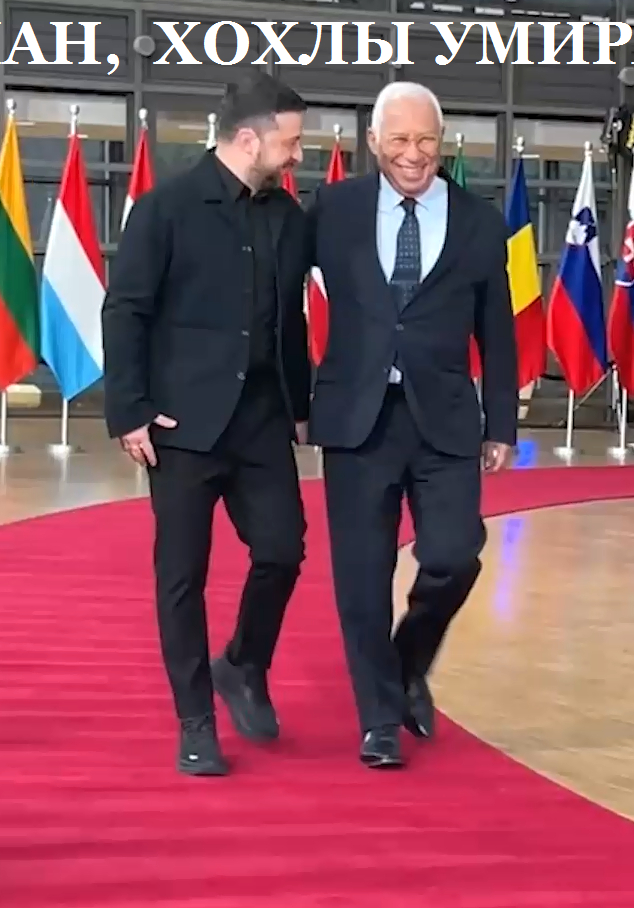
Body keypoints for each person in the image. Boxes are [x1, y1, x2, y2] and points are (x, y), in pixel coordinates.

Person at [102, 73, 313, 777]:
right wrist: (130, 409)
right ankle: (195, 722)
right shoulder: (164, 209)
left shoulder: (287, 217)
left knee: (283, 550)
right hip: (181, 426)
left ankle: (243, 663)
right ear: (248, 139)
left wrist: (302, 404)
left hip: (262, 422)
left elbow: (292, 319)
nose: (298, 156)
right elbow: (126, 310)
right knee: (182, 576)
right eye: (290, 143)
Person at [306, 82, 519, 769]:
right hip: (356, 418)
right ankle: (378, 720)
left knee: (455, 554)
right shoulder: (333, 209)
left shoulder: (479, 221)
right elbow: (277, 298)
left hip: (446, 420)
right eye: (399, 139)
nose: (413, 153)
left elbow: (498, 330)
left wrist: (502, 423)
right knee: (362, 577)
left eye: (426, 139)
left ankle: (405, 664)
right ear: (373, 142)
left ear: (442, 141)